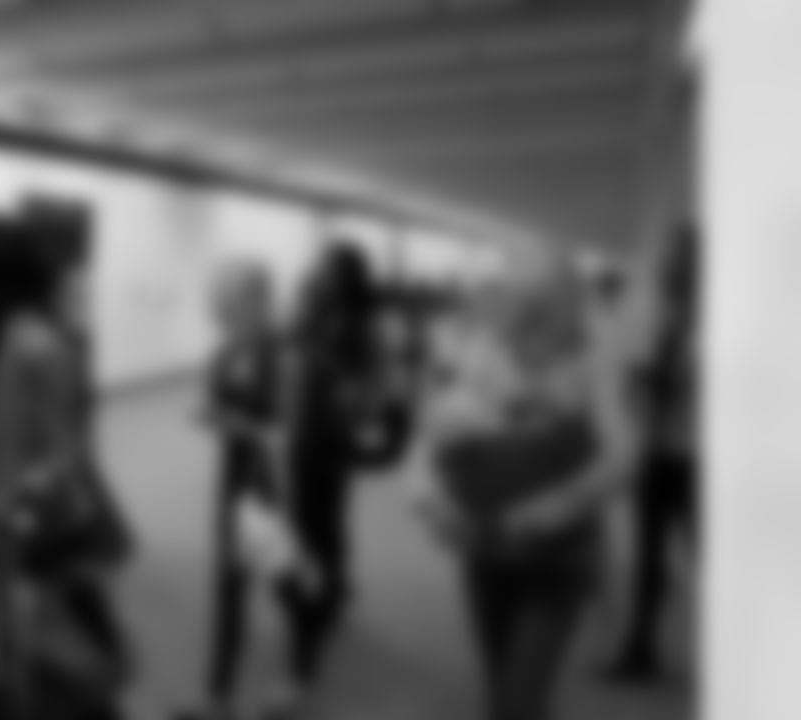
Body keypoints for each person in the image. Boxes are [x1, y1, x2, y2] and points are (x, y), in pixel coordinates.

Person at [406, 257, 635, 720]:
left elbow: (623, 455)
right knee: (499, 690)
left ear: (567, 313)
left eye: (541, 317)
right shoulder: (484, 352)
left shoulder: (593, 360)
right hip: (486, 546)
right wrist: (431, 501)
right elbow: (427, 445)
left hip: (558, 557)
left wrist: (557, 505)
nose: (526, 336)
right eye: (517, 317)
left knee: (520, 702)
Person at [0, 214, 130, 720]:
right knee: (17, 651)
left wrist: (21, 503)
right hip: (12, 522)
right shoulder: (3, 339)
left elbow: (65, 454)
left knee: (50, 658)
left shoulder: (36, 344)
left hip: (37, 529)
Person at [270, 240, 384, 717]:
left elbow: (365, 391)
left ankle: (302, 664)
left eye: (324, 267)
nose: (314, 271)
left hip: (325, 446)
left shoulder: (355, 328)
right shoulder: (310, 315)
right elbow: (284, 349)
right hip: (300, 442)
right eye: (315, 265)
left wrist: (347, 399)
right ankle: (332, 592)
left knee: (310, 539)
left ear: (344, 277)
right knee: (321, 530)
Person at [180, 257, 290, 720]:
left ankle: (295, 677)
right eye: (220, 303)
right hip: (235, 481)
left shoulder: (284, 354)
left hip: (277, 485)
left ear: (260, 302)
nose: (221, 312)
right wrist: (210, 413)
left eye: (231, 302)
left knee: (284, 581)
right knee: (229, 585)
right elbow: (215, 402)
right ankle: (217, 698)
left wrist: (234, 423)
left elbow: (287, 432)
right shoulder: (226, 351)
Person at [605, 224, 700, 683]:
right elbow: (633, 379)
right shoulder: (656, 315)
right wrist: (636, 382)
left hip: (701, 458)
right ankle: (640, 650)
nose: (667, 269)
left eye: (678, 260)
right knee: (649, 559)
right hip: (657, 452)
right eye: (667, 260)